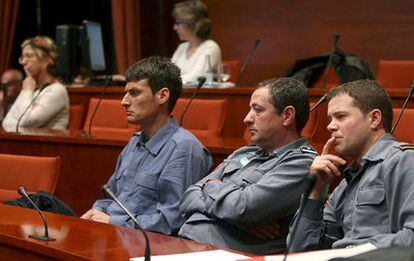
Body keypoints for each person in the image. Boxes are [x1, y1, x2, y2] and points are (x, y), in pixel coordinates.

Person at [178, 77, 318, 254]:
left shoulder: (301, 163)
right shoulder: (244, 153)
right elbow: (187, 197)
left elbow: (244, 208)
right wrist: (235, 220)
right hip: (190, 248)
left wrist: (210, 185)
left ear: (287, 116)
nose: (247, 119)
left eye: (257, 110)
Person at [80, 56, 213, 235]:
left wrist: (112, 221)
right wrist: (96, 212)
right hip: (113, 233)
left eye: (134, 93)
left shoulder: (184, 149)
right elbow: (110, 196)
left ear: (162, 96)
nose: (124, 101)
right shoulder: (135, 141)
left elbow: (172, 222)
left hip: (145, 245)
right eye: (126, 93)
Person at [288, 80, 414, 252]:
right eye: (330, 119)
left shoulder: (403, 161)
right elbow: (298, 248)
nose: (330, 126)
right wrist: (315, 193)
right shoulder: (346, 181)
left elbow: (411, 238)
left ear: (374, 119)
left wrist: (350, 253)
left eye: (340, 116)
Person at [2, 36, 69, 131]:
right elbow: (6, 122)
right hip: (23, 142)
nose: (23, 62)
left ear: (46, 60)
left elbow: (27, 123)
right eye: (22, 57)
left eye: (29, 56)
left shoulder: (57, 90)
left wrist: (27, 91)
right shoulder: (30, 86)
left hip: (46, 144)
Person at [171, 0, 221, 83]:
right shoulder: (182, 47)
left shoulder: (211, 47)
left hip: (201, 95)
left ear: (192, 23)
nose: (175, 27)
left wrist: (168, 82)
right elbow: (169, 74)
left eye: (178, 22)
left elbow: (197, 77)